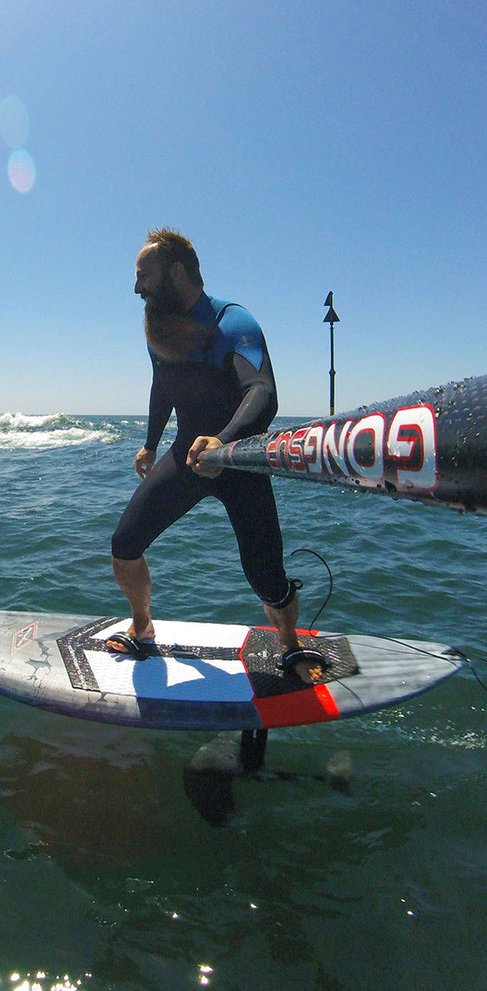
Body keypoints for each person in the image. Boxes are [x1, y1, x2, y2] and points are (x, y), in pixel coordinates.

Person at [109, 228, 325, 684]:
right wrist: (151, 442)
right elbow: (162, 386)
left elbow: (262, 391)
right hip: (187, 456)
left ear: (176, 272)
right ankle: (142, 627)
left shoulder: (231, 321)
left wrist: (223, 443)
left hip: (240, 459)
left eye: (144, 275)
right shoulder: (159, 329)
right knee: (125, 544)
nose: (136, 288)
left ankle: (289, 643)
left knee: (267, 576)